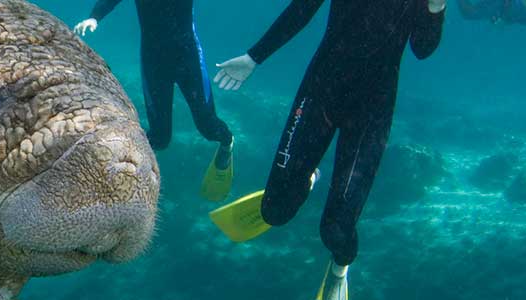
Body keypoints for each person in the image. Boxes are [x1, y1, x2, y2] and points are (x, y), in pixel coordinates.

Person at [209, 0, 447, 298]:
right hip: (320, 90)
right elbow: (302, 9)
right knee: (274, 212)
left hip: (372, 110)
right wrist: (255, 57)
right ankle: (307, 179)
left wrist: (436, 8)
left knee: (336, 230)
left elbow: (422, 49)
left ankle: (339, 269)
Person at [74, 0, 235, 201]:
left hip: (188, 57)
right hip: (155, 61)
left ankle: (227, 143)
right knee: (160, 138)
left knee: (208, 126)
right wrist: (94, 16)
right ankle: (120, 166)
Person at [458, 0, 526, 25]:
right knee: (469, 14)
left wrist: (504, 20)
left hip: (504, 9)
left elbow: (524, 19)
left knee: (469, 14)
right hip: (505, 6)